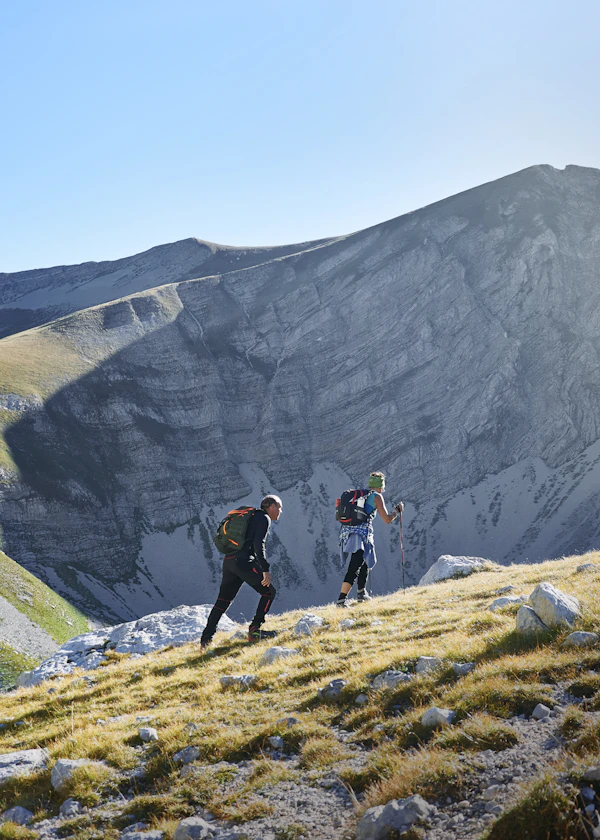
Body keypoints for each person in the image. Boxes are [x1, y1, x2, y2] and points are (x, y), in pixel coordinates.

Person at [200, 495, 282, 650]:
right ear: (271, 506)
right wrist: (265, 569)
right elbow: (259, 544)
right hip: (244, 562)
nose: (280, 511)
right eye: (279, 507)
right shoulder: (264, 518)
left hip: (229, 561)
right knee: (269, 592)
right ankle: (255, 631)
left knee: (222, 601)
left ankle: (205, 640)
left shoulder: (251, 516)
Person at [337, 472, 403, 607]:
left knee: (365, 560)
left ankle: (362, 593)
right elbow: (386, 519)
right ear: (381, 487)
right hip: (362, 535)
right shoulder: (377, 497)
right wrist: (396, 511)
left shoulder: (361, 494)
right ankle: (341, 600)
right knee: (354, 566)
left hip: (348, 533)